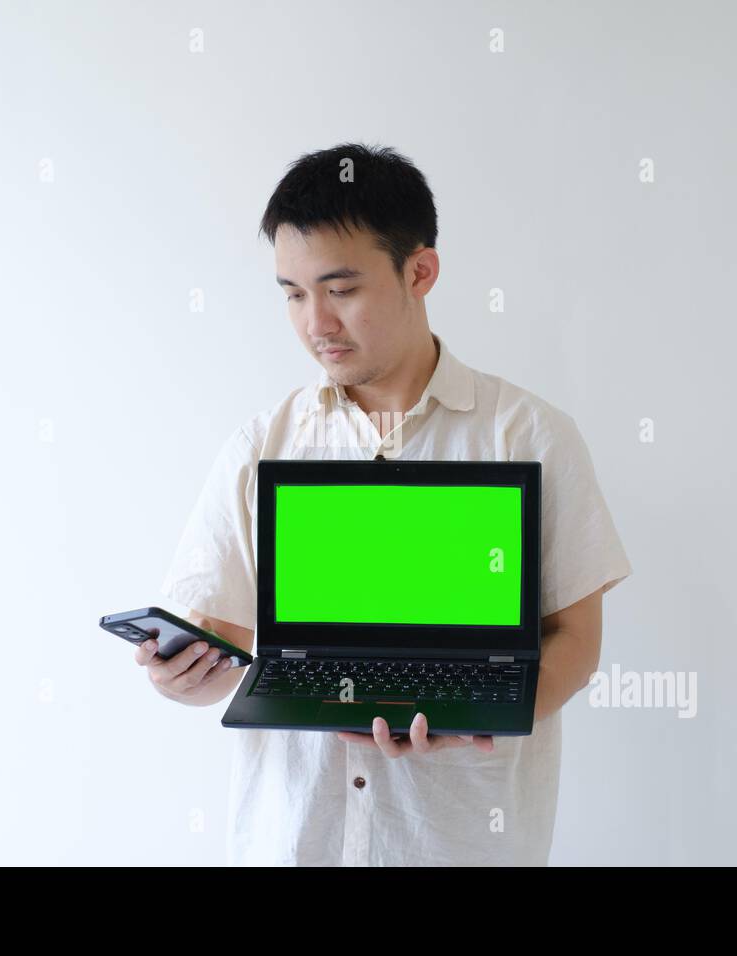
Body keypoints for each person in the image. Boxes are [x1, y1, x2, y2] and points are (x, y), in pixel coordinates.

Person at [138, 142, 633, 865]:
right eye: (293, 293)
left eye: (341, 289)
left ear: (419, 271)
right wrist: (179, 677)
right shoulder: (260, 446)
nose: (316, 323)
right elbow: (212, 635)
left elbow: (576, 643)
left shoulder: (529, 435)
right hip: (297, 843)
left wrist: (481, 712)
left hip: (458, 843)